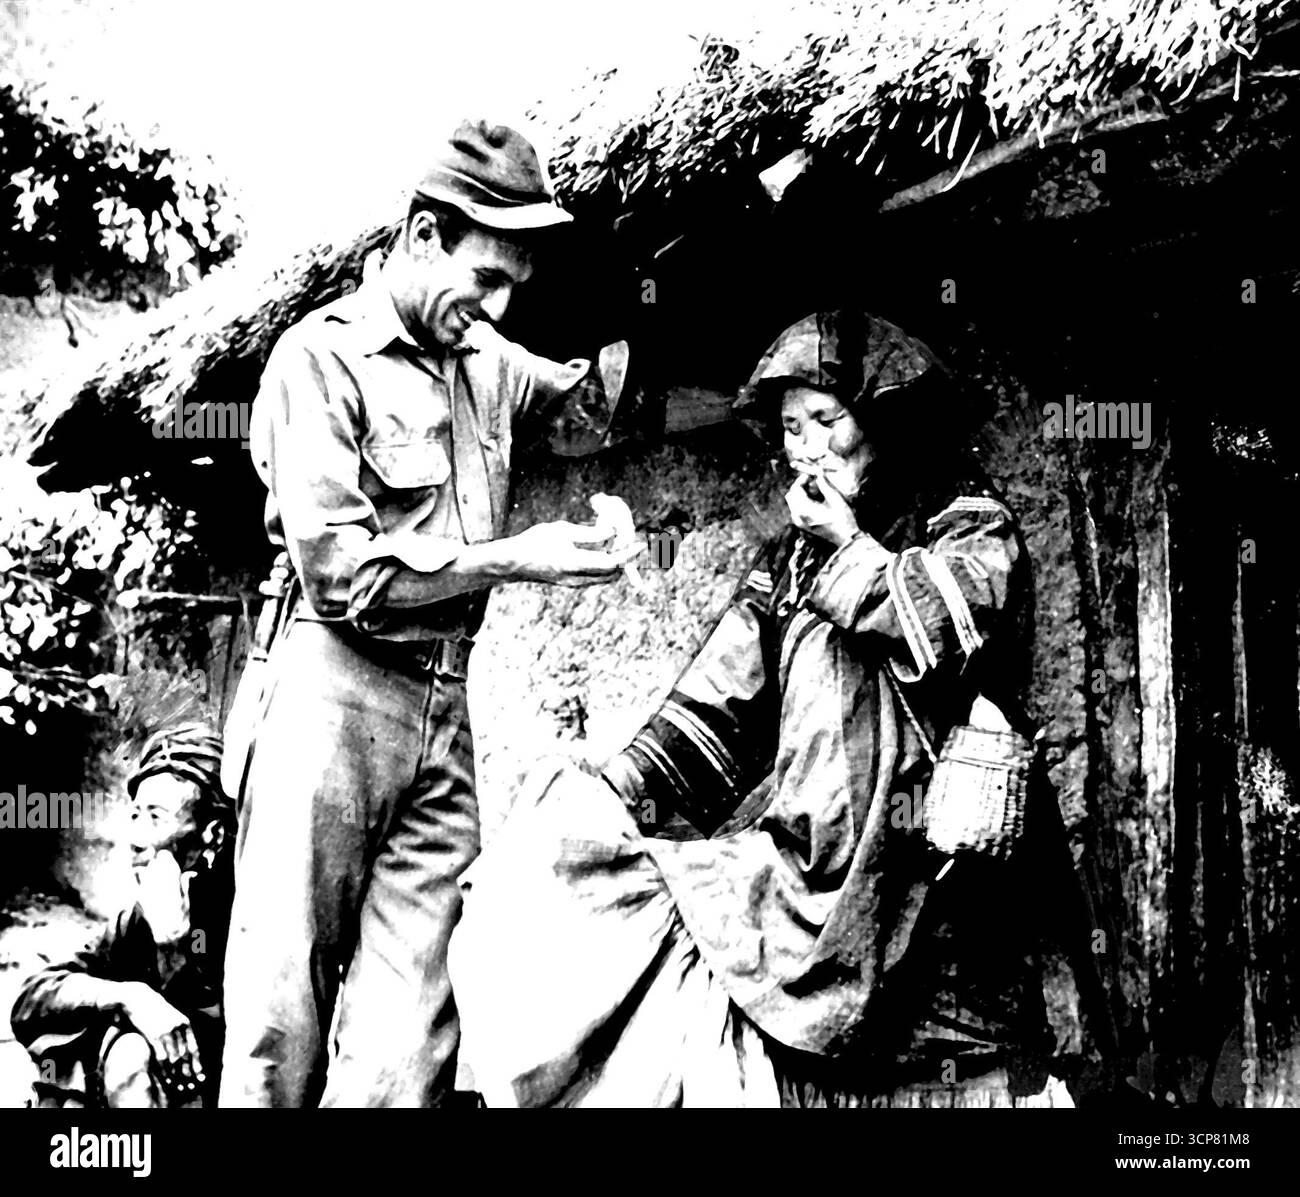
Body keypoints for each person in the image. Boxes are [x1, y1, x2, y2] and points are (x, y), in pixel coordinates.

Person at [449, 310, 1073, 1107]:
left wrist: (851, 547)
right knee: (621, 889)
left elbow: (948, 627)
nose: (806, 447)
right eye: (790, 427)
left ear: (877, 423)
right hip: (804, 860)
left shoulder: (962, 524)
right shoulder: (785, 568)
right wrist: (610, 794)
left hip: (915, 866)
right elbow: (717, 702)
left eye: (825, 421)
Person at [218, 118, 640, 1108]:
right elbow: (344, 579)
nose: (493, 310)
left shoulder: (486, 360)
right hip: (333, 697)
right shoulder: (318, 362)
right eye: (483, 279)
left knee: (409, 1033)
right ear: (419, 236)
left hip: (444, 715)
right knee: (281, 1012)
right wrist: (517, 561)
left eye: (511, 293)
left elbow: (590, 402)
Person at [11, 723, 231, 1108]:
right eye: (135, 815)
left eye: (156, 818)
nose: (136, 838)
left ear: (211, 834)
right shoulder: (138, 919)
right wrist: (129, 996)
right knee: (112, 1052)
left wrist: (175, 948)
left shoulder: (248, 920)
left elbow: (229, 1050)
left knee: (130, 1056)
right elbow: (32, 999)